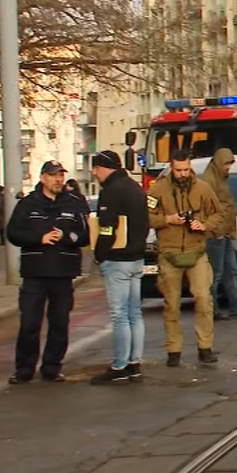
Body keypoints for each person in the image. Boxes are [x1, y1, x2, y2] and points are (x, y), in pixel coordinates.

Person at [6, 161, 89, 384]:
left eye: (61, 175)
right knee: (30, 323)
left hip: (63, 274)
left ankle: (52, 367)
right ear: (43, 178)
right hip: (35, 274)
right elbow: (13, 233)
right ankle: (24, 369)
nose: (58, 180)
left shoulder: (74, 204)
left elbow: (85, 236)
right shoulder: (28, 204)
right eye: (53, 176)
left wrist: (66, 237)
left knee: (59, 323)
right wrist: (38, 239)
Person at [147, 149, 223, 366]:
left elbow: (218, 214)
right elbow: (147, 216)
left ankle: (205, 347)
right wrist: (168, 219)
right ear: (172, 167)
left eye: (186, 169)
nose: (183, 174)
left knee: (203, 299)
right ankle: (173, 350)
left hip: (196, 251)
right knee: (171, 304)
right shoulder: (158, 189)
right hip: (170, 253)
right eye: (179, 170)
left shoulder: (202, 188)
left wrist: (204, 225)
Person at [89, 151, 149, 385]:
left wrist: (100, 255)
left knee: (119, 315)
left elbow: (107, 228)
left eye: (95, 168)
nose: (94, 173)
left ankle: (120, 365)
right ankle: (135, 362)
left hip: (118, 260)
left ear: (104, 167)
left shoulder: (111, 192)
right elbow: (145, 223)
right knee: (135, 312)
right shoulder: (135, 188)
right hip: (136, 258)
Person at [201, 148, 237, 321]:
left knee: (231, 271)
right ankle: (213, 309)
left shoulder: (221, 178)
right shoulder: (209, 180)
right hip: (215, 234)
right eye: (226, 164)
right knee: (216, 273)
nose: (228, 168)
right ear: (219, 163)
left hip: (225, 232)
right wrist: (214, 230)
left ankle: (235, 306)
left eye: (230, 164)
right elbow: (207, 208)